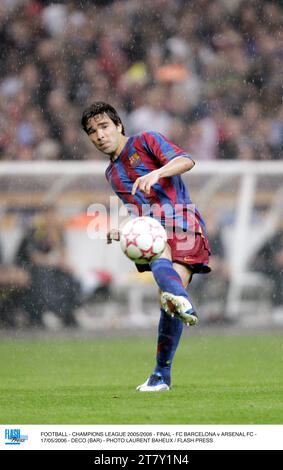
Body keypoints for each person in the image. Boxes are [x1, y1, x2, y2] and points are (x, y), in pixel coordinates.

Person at [81, 101, 211, 392]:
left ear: (118, 126)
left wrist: (158, 173)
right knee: (169, 299)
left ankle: (178, 303)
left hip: (184, 223)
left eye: (104, 126)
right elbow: (140, 209)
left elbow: (186, 160)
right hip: (155, 231)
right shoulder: (112, 174)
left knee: (169, 295)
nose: (99, 135)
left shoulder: (146, 140)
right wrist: (122, 228)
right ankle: (161, 376)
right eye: (92, 131)